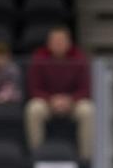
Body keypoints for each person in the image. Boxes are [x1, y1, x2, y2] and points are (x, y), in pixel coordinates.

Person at [25, 26, 93, 160]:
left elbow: (86, 89)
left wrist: (70, 100)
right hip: (47, 102)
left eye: (61, 40)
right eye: (55, 41)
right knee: (33, 109)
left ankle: (86, 160)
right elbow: (34, 88)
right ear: (49, 43)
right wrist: (51, 99)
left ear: (69, 42)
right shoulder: (39, 57)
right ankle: (36, 156)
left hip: (72, 103)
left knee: (88, 110)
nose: (58, 44)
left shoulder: (79, 58)